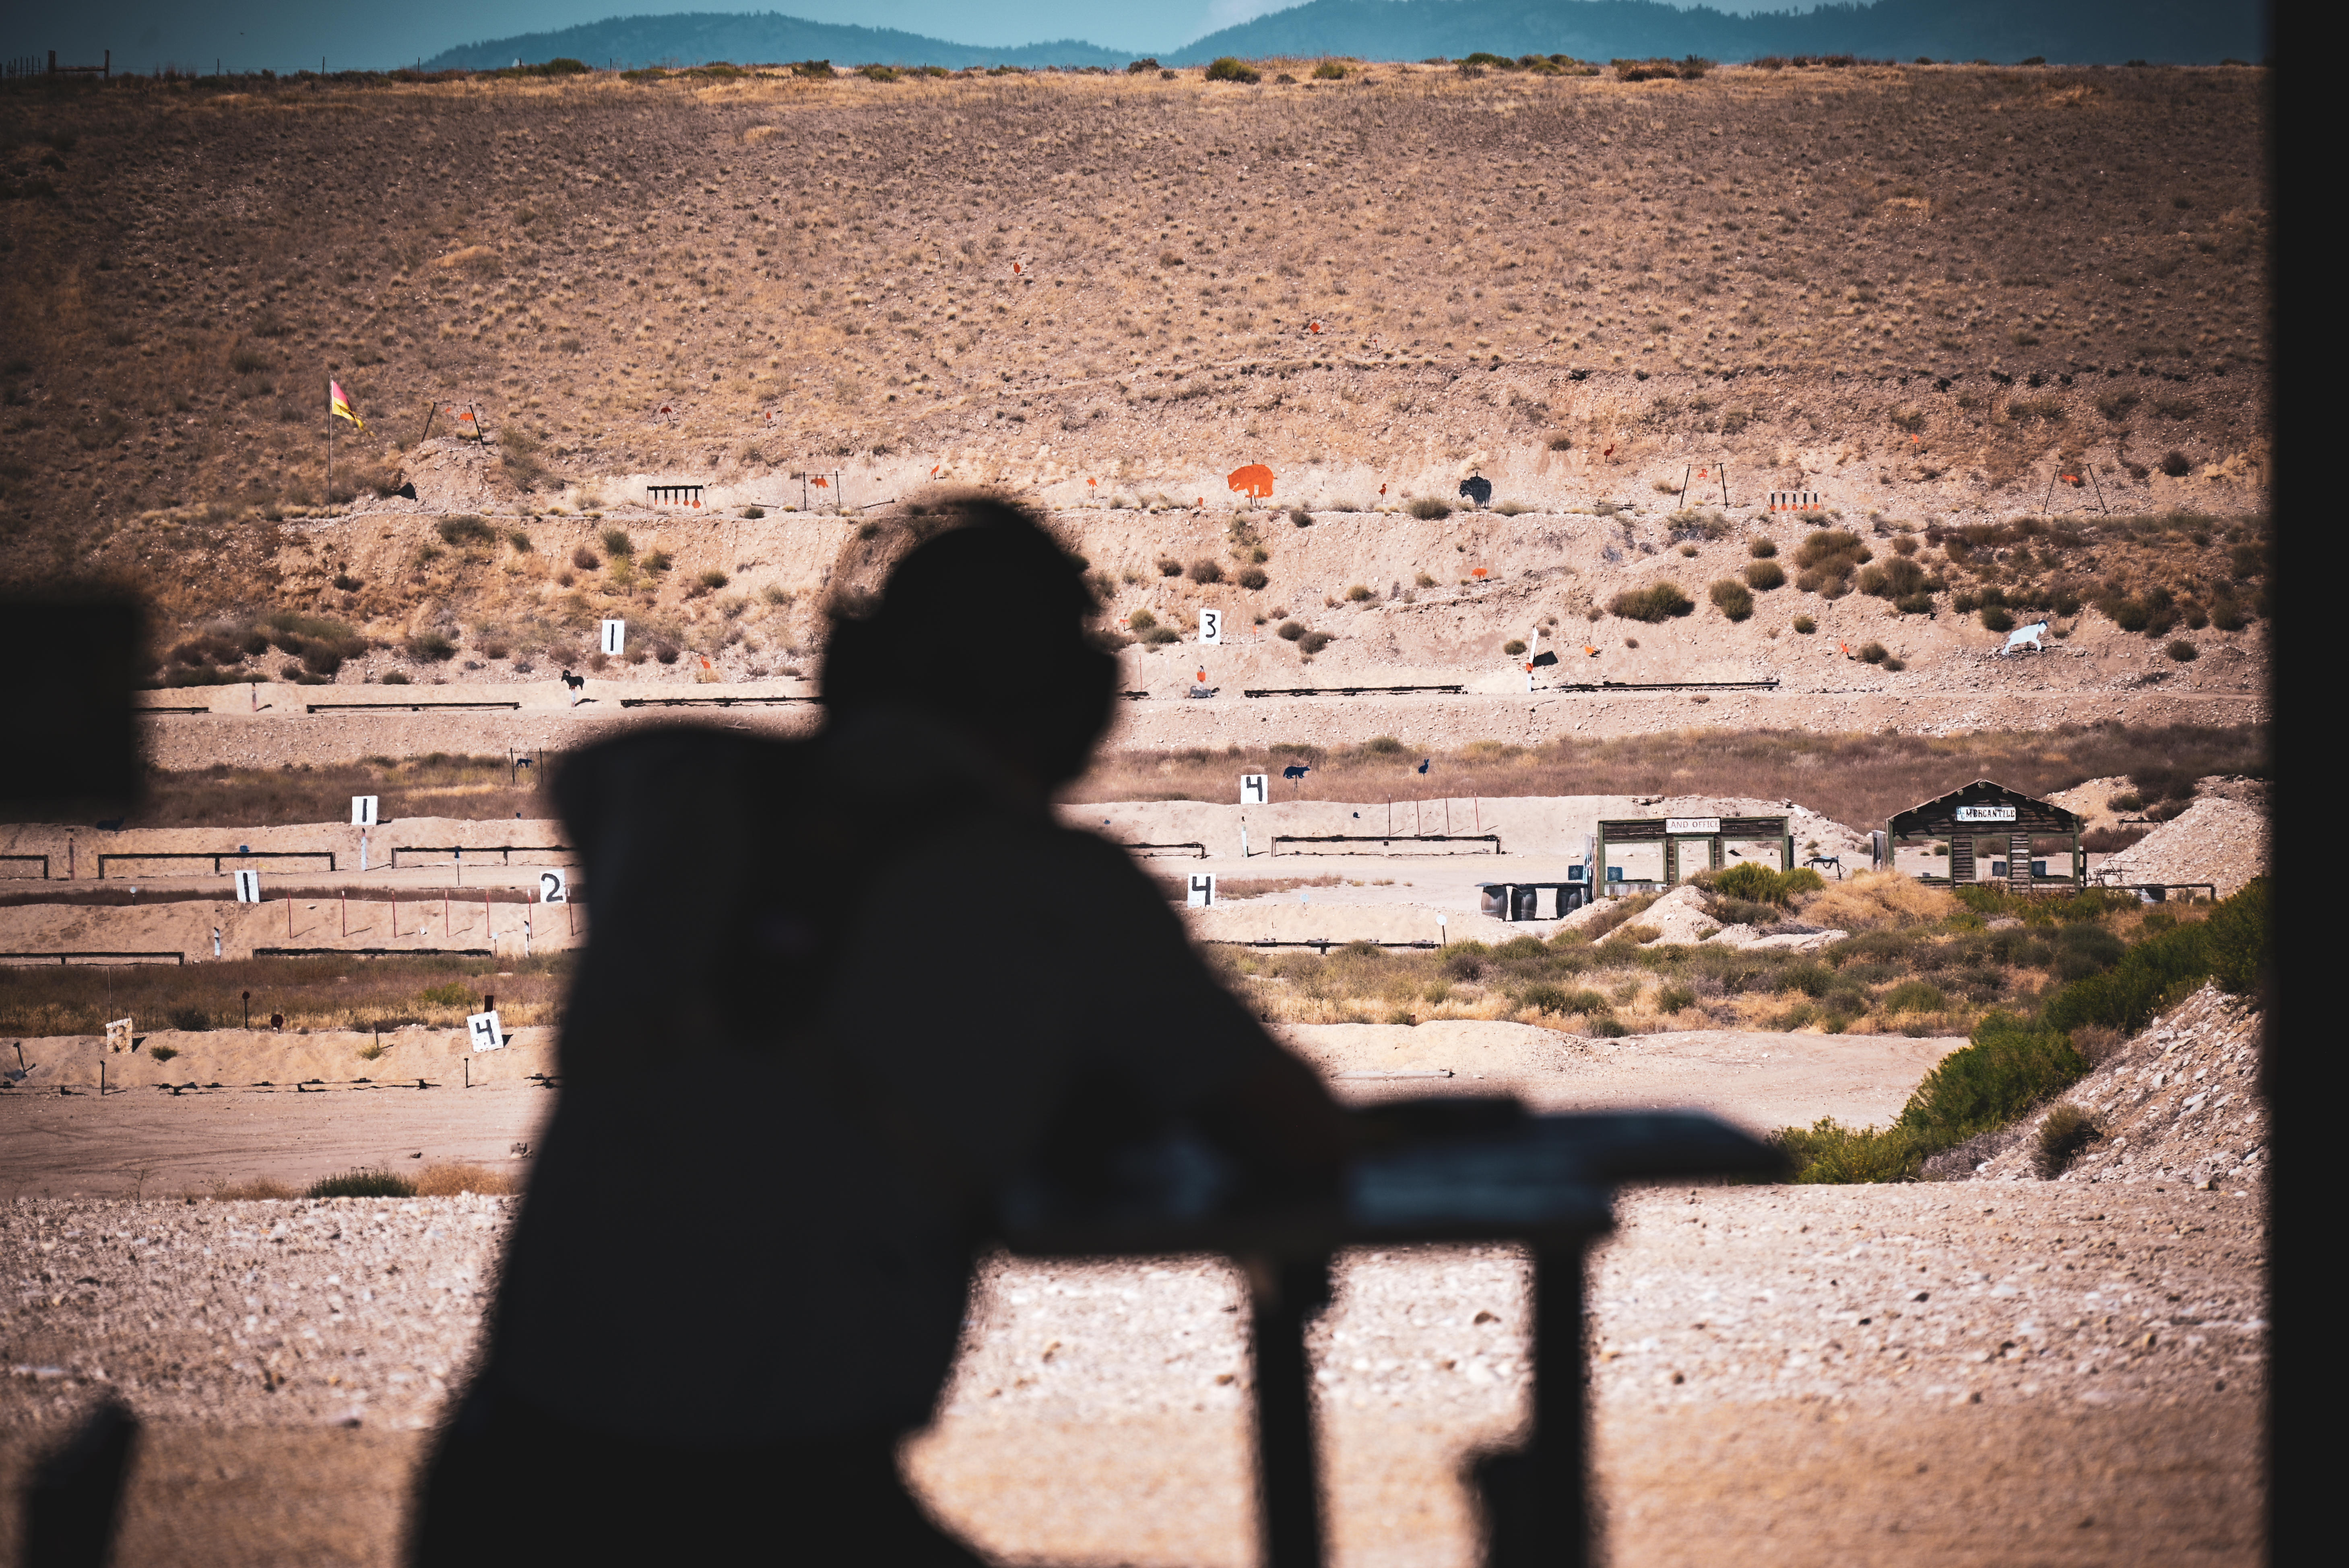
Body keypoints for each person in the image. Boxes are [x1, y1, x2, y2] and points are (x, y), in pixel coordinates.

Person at [409, 497, 1350, 1565]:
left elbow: (592, 773)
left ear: (853, 668)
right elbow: (1296, 1131)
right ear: (1080, 706)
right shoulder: (1067, 895)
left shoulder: (667, 789)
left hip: (502, 1492)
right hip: (794, 1505)